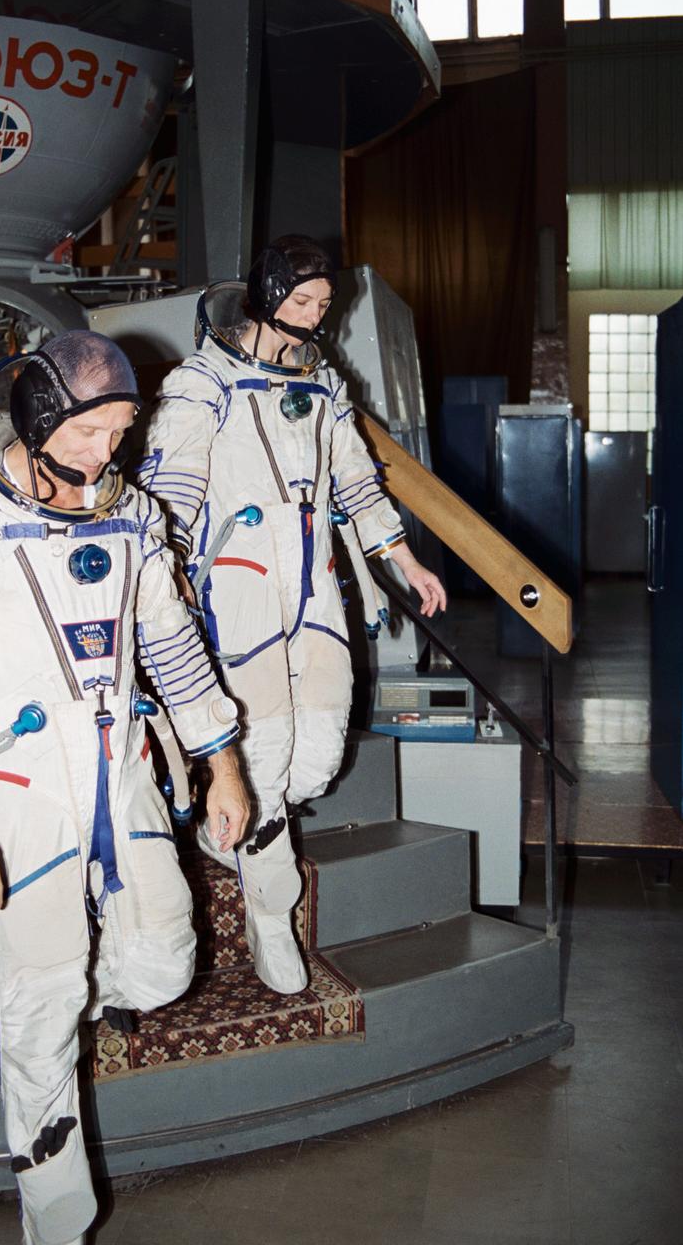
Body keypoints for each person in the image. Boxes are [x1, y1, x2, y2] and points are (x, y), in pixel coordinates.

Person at [0, 331, 249, 1245]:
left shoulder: (132, 515)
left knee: (165, 965)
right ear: (38, 416)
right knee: (40, 1022)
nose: (103, 451)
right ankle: (59, 1223)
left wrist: (220, 758)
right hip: (16, 793)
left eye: (120, 430)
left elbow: (171, 644)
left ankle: (75, 981)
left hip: (122, 780)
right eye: (88, 432)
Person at [138, 234, 446, 996]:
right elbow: (171, 496)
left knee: (317, 758)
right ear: (270, 293)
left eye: (324, 306)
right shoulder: (202, 383)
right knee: (265, 754)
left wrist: (401, 559)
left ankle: (229, 832)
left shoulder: (323, 382)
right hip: (238, 590)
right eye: (304, 302)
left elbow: (356, 479)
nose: (316, 318)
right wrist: (163, 583)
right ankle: (273, 911)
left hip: (312, 582)